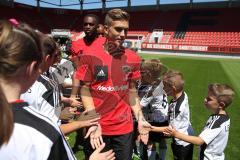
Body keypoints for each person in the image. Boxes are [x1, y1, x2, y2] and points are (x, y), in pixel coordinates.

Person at [0, 20, 115, 160]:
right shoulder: (40, 128)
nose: (58, 59)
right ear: (33, 66)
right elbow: (54, 128)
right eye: (56, 56)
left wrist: (66, 99)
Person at [75, 9, 151, 160]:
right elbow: (84, 89)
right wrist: (93, 120)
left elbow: (132, 91)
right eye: (118, 29)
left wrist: (140, 118)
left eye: (126, 30)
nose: (123, 34)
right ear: (105, 28)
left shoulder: (133, 58)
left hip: (124, 130)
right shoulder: (89, 55)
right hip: (97, 128)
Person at [164, 83, 234, 160]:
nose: (205, 99)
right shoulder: (225, 117)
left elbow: (199, 141)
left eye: (209, 99)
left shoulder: (217, 122)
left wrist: (176, 134)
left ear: (221, 105)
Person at [150, 70, 194, 160]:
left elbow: (171, 130)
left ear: (173, 88)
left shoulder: (177, 108)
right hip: (184, 137)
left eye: (164, 86)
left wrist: (150, 128)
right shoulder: (182, 95)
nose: (162, 89)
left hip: (182, 144)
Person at [137, 59, 169, 160]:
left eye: (142, 72)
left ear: (148, 74)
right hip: (165, 117)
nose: (141, 74)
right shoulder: (160, 82)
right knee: (163, 140)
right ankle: (162, 158)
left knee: (150, 142)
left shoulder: (153, 89)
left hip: (156, 119)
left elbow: (140, 106)